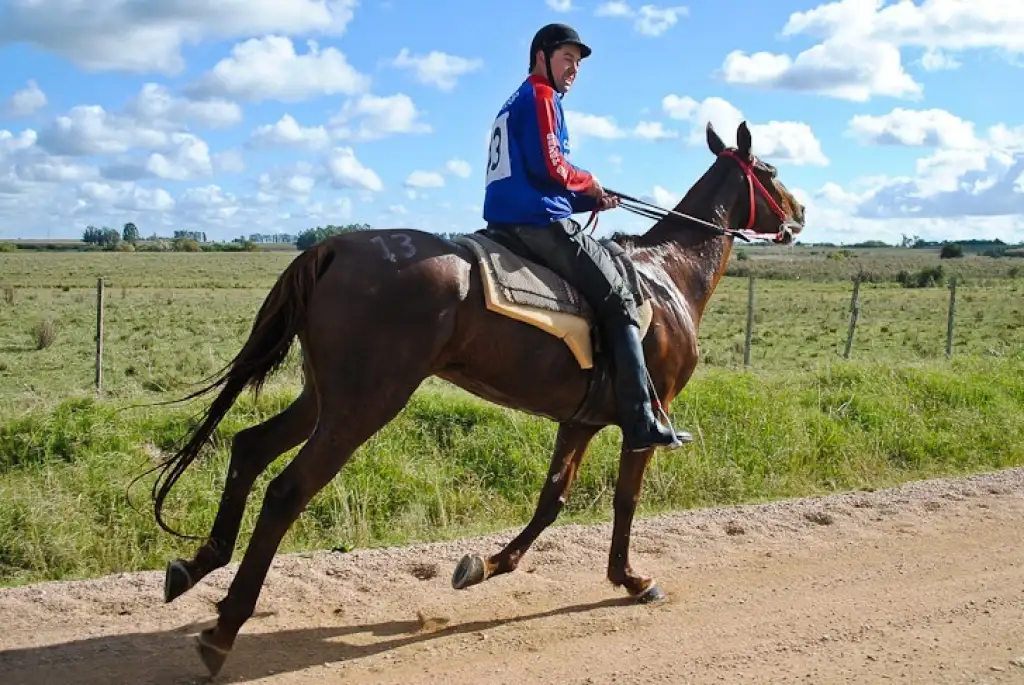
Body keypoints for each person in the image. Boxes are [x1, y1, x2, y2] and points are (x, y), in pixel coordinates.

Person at [482, 22, 690, 451]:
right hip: (537, 224)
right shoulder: (541, 96)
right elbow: (551, 168)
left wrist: (592, 201)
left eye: (577, 63)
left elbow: (537, 179)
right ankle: (640, 421)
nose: (573, 70)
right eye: (567, 59)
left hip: (511, 218)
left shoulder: (513, 102)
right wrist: (589, 182)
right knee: (619, 298)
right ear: (541, 56)